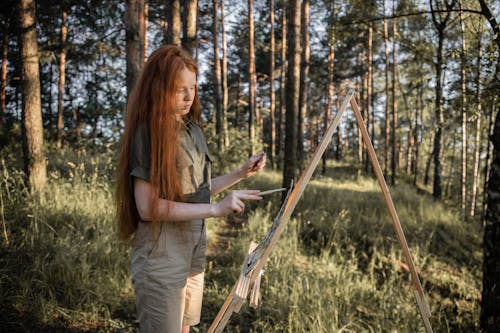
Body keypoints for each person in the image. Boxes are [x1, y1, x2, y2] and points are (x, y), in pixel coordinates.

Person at [115, 45, 266, 333]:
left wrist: (240, 173)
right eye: (178, 89)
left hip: (194, 248)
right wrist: (215, 209)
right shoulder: (148, 133)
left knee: (186, 329)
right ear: (159, 88)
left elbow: (198, 191)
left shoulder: (192, 129)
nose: (188, 97)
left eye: (193, 88)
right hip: (161, 254)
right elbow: (147, 208)